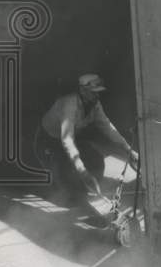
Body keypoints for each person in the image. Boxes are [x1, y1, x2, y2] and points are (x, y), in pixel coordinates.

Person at [35, 72, 138, 202]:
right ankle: (73, 193)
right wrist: (82, 171)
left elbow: (107, 127)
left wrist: (128, 149)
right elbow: (67, 140)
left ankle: (93, 188)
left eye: (98, 92)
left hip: (71, 139)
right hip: (49, 141)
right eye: (93, 92)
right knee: (63, 176)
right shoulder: (69, 105)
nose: (97, 95)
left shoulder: (95, 103)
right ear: (82, 90)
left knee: (96, 159)